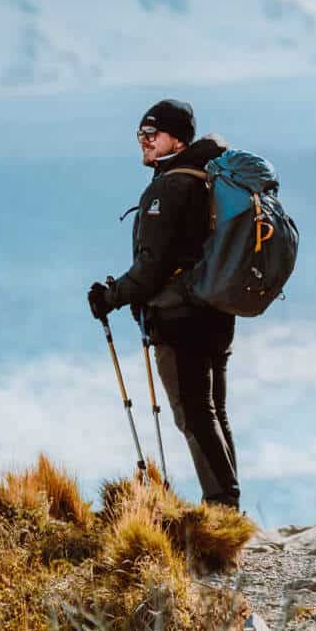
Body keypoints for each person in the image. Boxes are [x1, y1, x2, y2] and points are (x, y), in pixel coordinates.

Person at [88, 99, 240, 510]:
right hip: (216, 310)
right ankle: (228, 508)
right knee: (213, 412)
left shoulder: (170, 187)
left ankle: (222, 508)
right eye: (141, 134)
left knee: (193, 415)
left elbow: (152, 268)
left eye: (152, 134)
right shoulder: (206, 176)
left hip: (180, 317)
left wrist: (110, 298)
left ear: (177, 138)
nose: (144, 141)